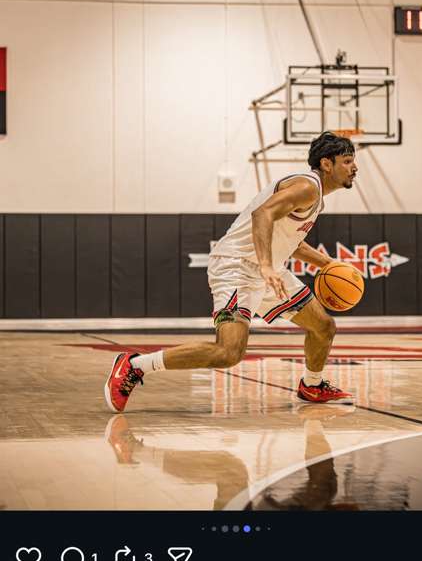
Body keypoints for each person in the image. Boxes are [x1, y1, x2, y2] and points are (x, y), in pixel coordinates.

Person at [104, 131, 358, 413]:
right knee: (228, 352)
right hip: (237, 266)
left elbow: (290, 241)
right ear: (326, 164)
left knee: (323, 326)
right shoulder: (307, 187)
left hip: (267, 270)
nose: (354, 167)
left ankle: (312, 385)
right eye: (347, 161)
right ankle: (135, 365)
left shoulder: (315, 196)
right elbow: (262, 215)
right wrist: (265, 265)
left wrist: (328, 264)